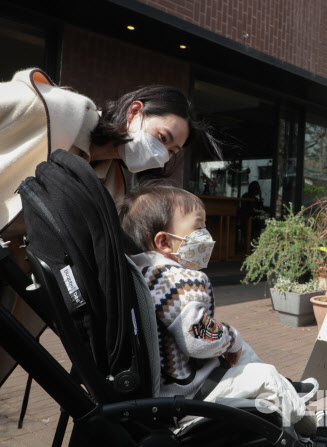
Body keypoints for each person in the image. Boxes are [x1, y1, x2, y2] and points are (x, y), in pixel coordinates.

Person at [0, 67, 214, 386]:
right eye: (162, 139)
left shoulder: (112, 184)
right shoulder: (45, 107)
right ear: (135, 111)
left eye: (170, 152)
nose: (161, 155)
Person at [118, 184, 317, 435]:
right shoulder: (180, 281)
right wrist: (232, 338)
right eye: (198, 228)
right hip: (189, 393)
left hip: (164, 388)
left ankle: (287, 388)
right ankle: (306, 425)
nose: (206, 235)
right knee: (265, 374)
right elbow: (199, 337)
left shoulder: (140, 274)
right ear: (164, 242)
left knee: (244, 353)